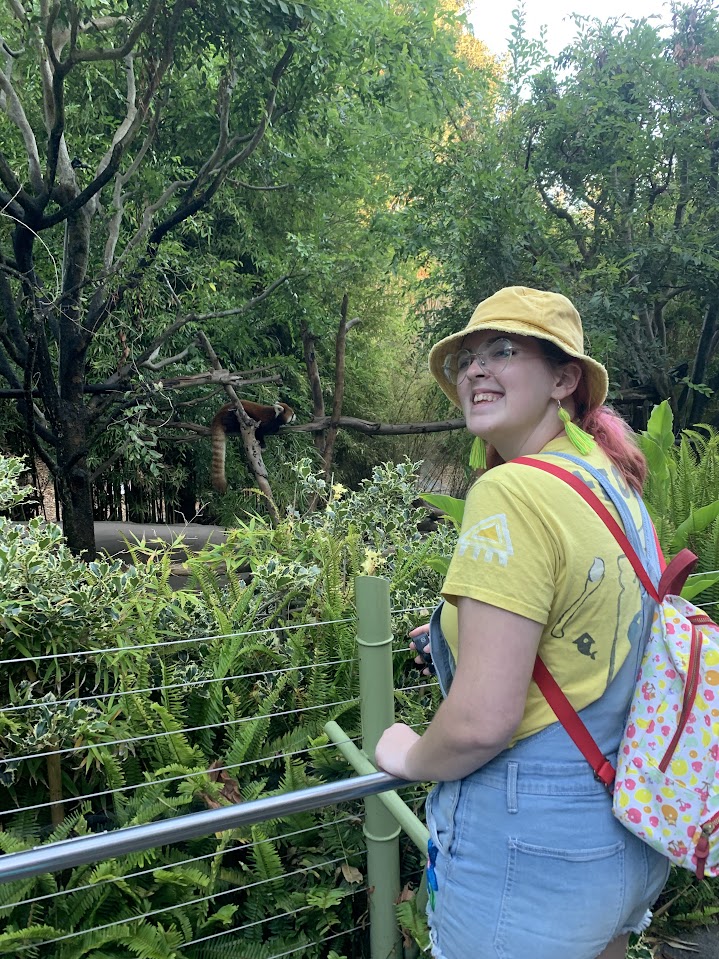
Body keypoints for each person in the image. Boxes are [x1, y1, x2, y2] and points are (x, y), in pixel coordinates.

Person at [375, 287, 670, 959]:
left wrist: (407, 754)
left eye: (503, 351)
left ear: (563, 379)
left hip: (531, 850)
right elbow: (587, 633)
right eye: (466, 359)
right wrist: (454, 640)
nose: (476, 370)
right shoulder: (611, 483)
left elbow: (481, 720)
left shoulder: (508, 491)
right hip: (621, 834)